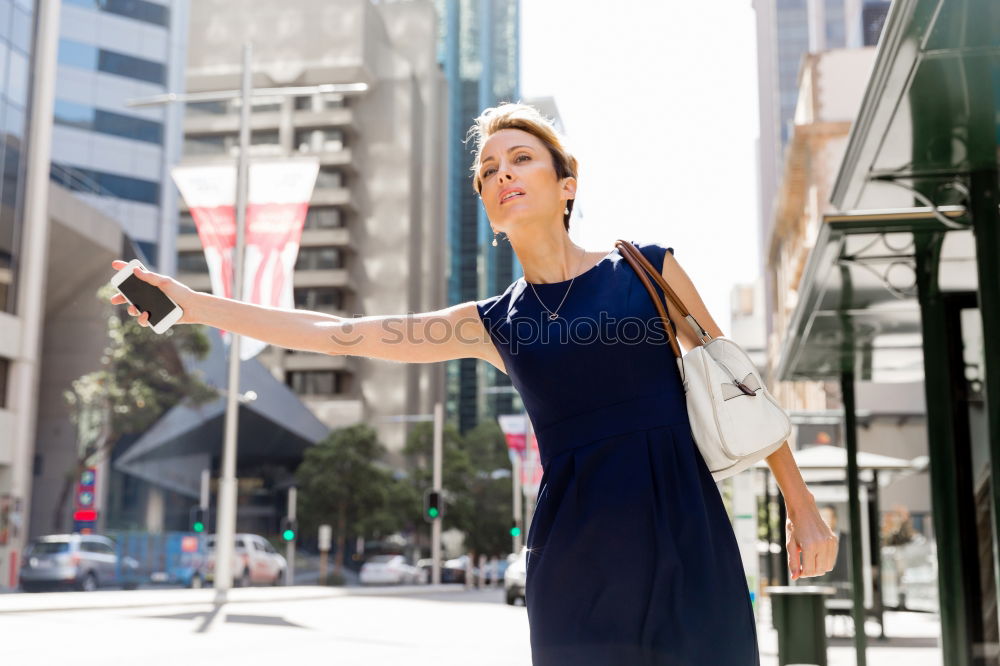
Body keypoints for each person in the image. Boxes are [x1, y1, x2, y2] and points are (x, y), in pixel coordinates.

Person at [110, 101, 838, 664]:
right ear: (488, 208)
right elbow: (341, 333)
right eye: (489, 172)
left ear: (566, 185)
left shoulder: (645, 271)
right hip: (576, 556)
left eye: (520, 159)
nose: (502, 176)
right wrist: (195, 306)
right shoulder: (491, 323)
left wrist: (801, 505)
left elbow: (740, 387)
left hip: (685, 529)